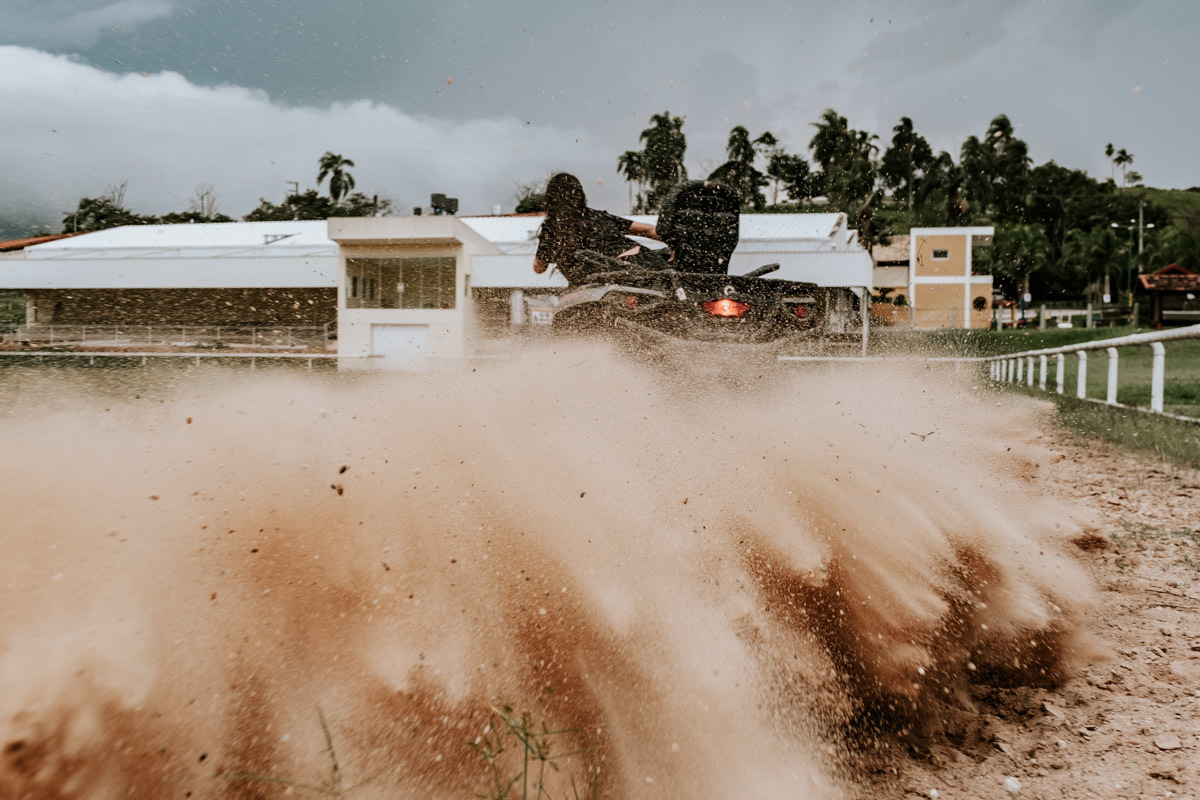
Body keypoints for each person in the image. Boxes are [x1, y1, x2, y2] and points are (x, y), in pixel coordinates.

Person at [532, 173, 661, 284]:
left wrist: (544, 256)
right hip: (637, 266)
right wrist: (671, 238)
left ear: (550, 199)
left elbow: (539, 268)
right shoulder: (598, 217)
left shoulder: (552, 228)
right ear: (579, 195)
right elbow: (648, 230)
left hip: (603, 280)